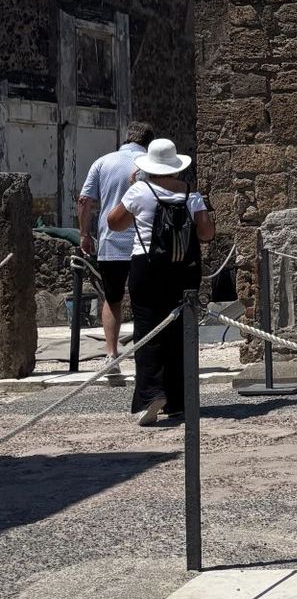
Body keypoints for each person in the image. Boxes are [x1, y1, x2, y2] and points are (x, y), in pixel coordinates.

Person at [105, 137, 214, 426]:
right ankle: (179, 400)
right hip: (184, 270)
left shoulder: (140, 190)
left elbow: (114, 223)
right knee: (180, 333)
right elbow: (206, 234)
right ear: (176, 166)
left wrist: (133, 191)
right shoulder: (191, 195)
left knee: (147, 331)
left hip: (148, 267)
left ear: (149, 167)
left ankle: (151, 395)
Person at [77, 123, 152, 384]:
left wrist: (84, 234)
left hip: (111, 240)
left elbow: (84, 200)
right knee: (147, 299)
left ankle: (111, 355)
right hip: (145, 240)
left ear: (126, 139)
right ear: (148, 142)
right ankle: (147, 356)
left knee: (112, 298)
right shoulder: (150, 163)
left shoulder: (102, 162)